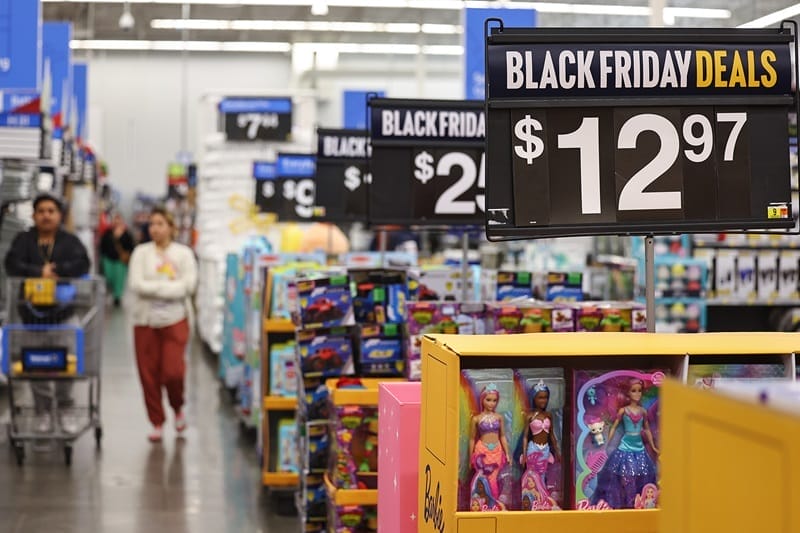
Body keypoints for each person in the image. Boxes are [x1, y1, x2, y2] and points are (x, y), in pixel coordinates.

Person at [4, 193, 91, 434]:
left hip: (63, 316)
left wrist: (58, 270)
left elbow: (83, 264)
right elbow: (11, 264)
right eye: (41, 211)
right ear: (33, 215)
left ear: (59, 215)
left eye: (51, 211)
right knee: (36, 364)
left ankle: (65, 408)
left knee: (66, 363)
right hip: (31, 318)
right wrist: (37, 271)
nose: (46, 215)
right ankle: (42, 411)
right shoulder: (23, 240)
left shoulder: (70, 241)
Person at [127, 207, 197, 442]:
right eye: (151, 224)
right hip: (144, 322)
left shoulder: (184, 254)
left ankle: (177, 407)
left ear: (171, 227)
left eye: (160, 223)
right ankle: (157, 421)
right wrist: (169, 289)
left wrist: (155, 288)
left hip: (175, 320)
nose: (154, 228)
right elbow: (136, 285)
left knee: (173, 372)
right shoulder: (140, 253)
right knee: (148, 374)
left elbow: (188, 286)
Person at [591, 378, 659, 509]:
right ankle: (622, 501)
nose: (637, 394)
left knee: (643, 474)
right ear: (628, 393)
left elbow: (647, 429)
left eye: (639, 391)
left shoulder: (643, 412)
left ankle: (638, 502)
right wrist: (607, 443)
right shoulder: (623, 411)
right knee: (621, 474)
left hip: (638, 446)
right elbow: (614, 427)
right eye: (634, 391)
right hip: (625, 445)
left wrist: (654, 446)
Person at [519, 381, 561, 510]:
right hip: (533, 449)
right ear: (534, 398)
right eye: (540, 397)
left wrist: (557, 450)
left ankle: (542, 501)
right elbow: (526, 436)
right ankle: (530, 501)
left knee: (542, 475)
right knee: (532, 476)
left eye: (545, 397)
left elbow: (552, 435)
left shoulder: (548, 415)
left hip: (545, 450)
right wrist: (525, 453)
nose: (544, 400)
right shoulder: (530, 416)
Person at [468, 383, 510, 511]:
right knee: (483, 479)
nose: (491, 403)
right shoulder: (476, 419)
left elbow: (502, 436)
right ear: (482, 400)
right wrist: (471, 457)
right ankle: (482, 504)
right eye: (488, 400)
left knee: (493, 479)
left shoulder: (499, 417)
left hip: (496, 451)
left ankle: (494, 504)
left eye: (494, 400)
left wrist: (507, 453)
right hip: (482, 452)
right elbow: (471, 439)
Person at [99, 212, 135, 306]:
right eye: (115, 219)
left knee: (119, 279)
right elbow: (103, 244)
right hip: (108, 259)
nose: (117, 221)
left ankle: (117, 297)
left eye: (119, 219)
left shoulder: (126, 233)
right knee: (109, 277)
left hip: (120, 261)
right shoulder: (108, 232)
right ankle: (112, 291)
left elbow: (131, 246)